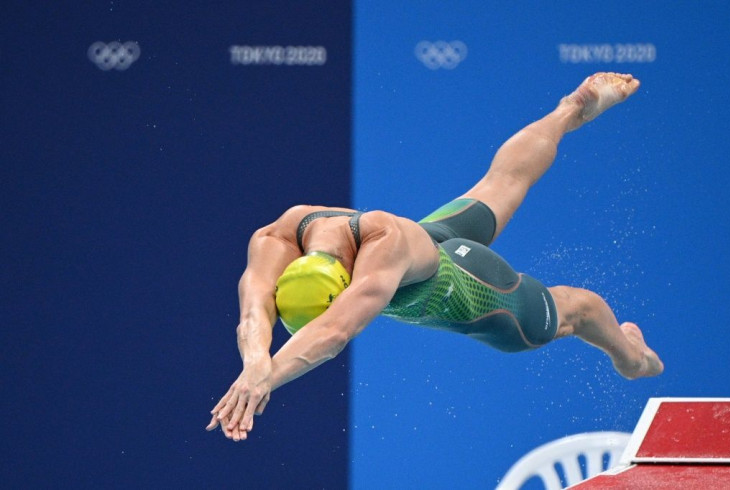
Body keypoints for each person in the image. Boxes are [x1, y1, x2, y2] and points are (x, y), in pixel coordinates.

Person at [206, 72, 664, 441]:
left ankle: (632, 359)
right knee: (500, 183)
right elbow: (253, 315)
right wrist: (252, 366)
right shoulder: (282, 233)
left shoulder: (379, 254)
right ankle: (569, 109)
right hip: (426, 238)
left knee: (575, 310)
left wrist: (267, 379)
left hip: (466, 283)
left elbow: (333, 331)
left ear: (345, 284)